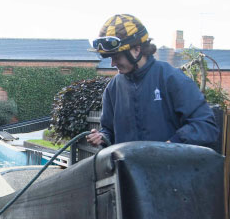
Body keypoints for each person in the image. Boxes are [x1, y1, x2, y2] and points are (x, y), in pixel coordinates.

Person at [84, 14, 219, 151]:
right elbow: (108, 130)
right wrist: (103, 137)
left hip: (169, 164)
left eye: (117, 57)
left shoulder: (171, 78)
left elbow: (205, 126)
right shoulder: (113, 88)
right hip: (128, 165)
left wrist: (171, 145)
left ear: (136, 50)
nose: (112, 64)